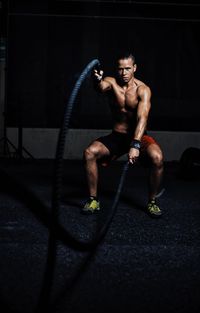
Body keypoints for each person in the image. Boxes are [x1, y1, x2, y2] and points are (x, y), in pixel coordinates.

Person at [82, 51, 164, 217]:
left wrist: (135, 144)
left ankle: (152, 201)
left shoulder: (143, 90)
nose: (124, 73)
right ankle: (93, 200)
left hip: (138, 136)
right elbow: (101, 87)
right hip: (117, 137)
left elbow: (143, 118)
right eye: (120, 69)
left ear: (134, 68)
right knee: (89, 153)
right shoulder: (112, 82)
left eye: (127, 68)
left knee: (157, 158)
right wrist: (96, 79)